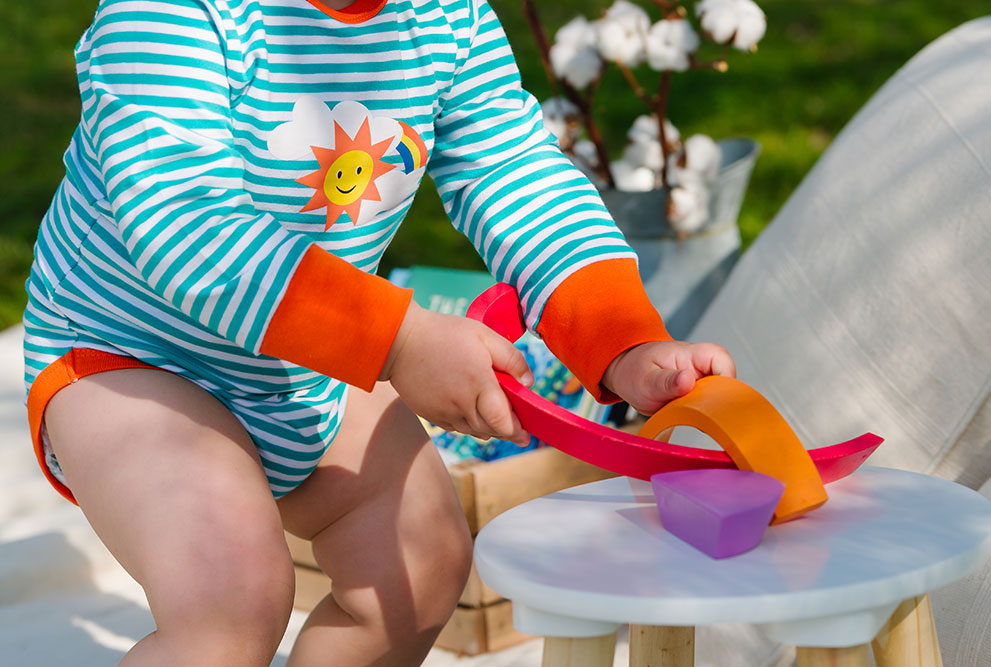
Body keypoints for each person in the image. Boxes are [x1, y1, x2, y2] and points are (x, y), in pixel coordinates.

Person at [22, 0, 735, 664]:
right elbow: (185, 225)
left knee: (418, 566)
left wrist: (623, 341)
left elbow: (515, 172)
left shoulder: (441, 16)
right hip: (129, 354)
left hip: (297, 354)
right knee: (231, 598)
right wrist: (398, 341)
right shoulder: (168, 15)